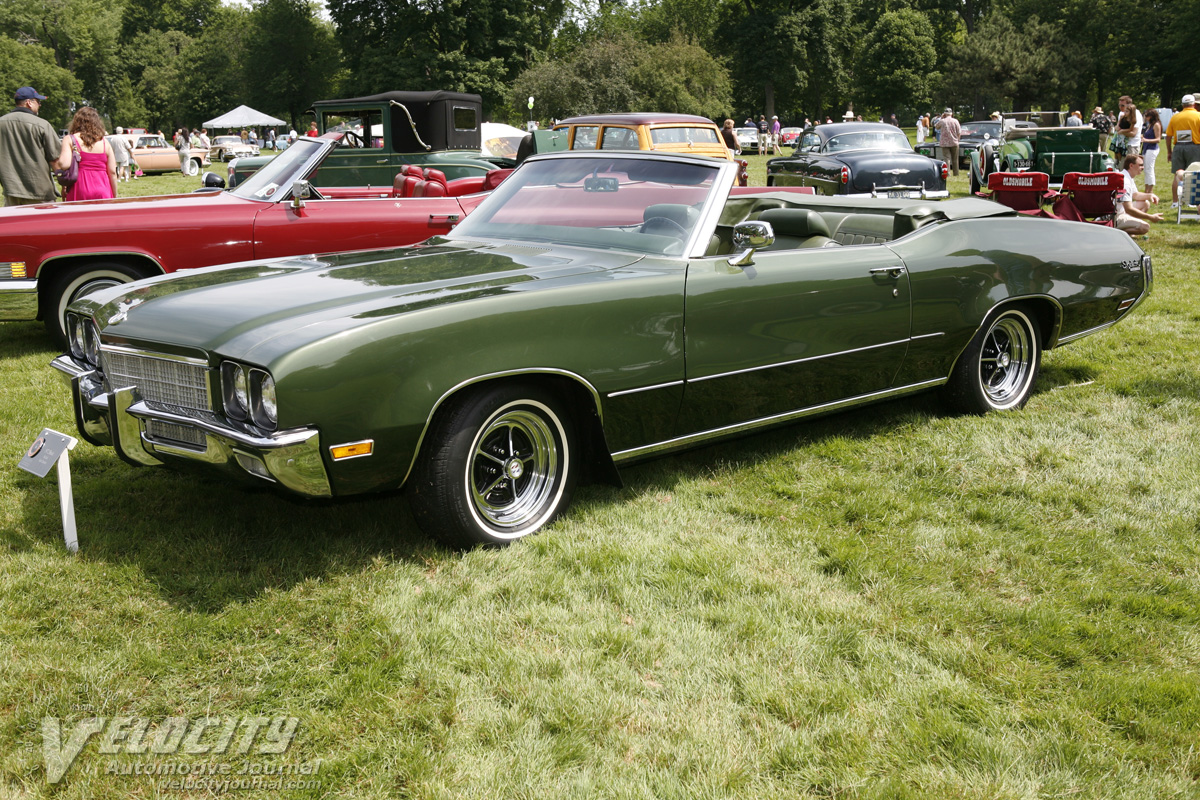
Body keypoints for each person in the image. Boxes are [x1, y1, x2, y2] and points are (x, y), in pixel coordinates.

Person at [0, 86, 61, 205]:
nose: (40, 105)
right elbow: (55, 160)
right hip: (40, 193)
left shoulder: (1, 123)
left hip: (11, 191)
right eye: (38, 101)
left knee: (15, 224)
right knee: (43, 224)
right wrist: (64, 183)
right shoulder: (42, 125)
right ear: (29, 103)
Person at [56, 106, 117, 201]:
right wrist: (114, 195)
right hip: (103, 189)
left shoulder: (70, 139)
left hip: (79, 189)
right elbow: (112, 172)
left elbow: (64, 164)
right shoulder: (105, 142)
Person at [1114, 154, 1162, 236]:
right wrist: (1150, 217)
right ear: (1131, 165)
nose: (1143, 167)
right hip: (1116, 216)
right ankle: (1116, 232)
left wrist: (1150, 195)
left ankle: (1128, 226)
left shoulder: (1127, 176)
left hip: (1120, 211)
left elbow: (1135, 195)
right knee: (1145, 227)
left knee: (1145, 203)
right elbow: (1129, 209)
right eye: (1140, 165)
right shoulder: (1125, 182)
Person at [1166, 94, 1200, 207]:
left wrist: (1169, 151)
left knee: (1177, 174)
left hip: (1178, 147)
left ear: (1182, 105)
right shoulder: (1198, 116)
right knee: (1194, 174)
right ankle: (1192, 201)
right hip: (1194, 147)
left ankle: (1175, 202)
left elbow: (1168, 136)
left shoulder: (1175, 117)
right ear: (1194, 104)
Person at [1141, 108, 1162, 193]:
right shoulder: (1149, 124)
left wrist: (1146, 140)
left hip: (1152, 149)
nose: (1146, 117)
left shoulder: (1156, 125)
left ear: (1152, 116)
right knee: (1146, 170)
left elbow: (1158, 139)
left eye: (1147, 116)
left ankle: (1150, 191)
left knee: (1150, 170)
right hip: (1146, 148)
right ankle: (1147, 190)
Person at [937, 107, 961, 176]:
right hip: (954, 142)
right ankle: (956, 173)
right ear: (951, 114)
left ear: (944, 114)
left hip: (944, 143)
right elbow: (959, 132)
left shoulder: (942, 121)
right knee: (955, 159)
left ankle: (947, 173)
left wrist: (941, 118)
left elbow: (936, 126)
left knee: (947, 158)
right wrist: (958, 140)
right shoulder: (955, 121)